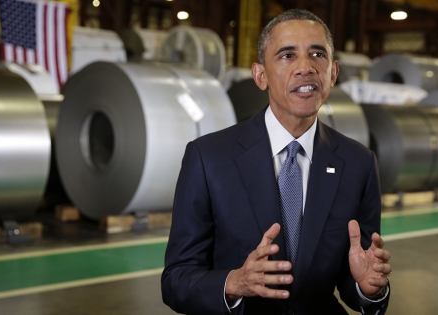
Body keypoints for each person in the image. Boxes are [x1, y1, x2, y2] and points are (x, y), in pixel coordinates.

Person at [161, 9, 391, 315]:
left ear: (332, 73)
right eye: (287, 55)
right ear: (260, 75)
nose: (305, 67)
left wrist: (367, 287)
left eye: (317, 54)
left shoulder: (358, 163)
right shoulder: (209, 158)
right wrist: (235, 282)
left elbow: (354, 276)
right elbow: (176, 280)